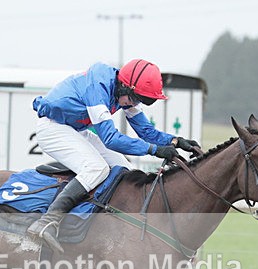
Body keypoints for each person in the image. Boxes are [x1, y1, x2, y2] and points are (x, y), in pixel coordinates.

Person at [27, 58, 200, 253]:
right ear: (125, 87)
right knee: (96, 168)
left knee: (124, 170)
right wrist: (153, 149)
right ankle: (47, 222)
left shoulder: (124, 90)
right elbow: (110, 139)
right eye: (135, 99)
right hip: (53, 127)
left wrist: (174, 140)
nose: (134, 104)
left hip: (76, 128)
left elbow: (145, 131)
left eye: (139, 101)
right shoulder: (98, 88)